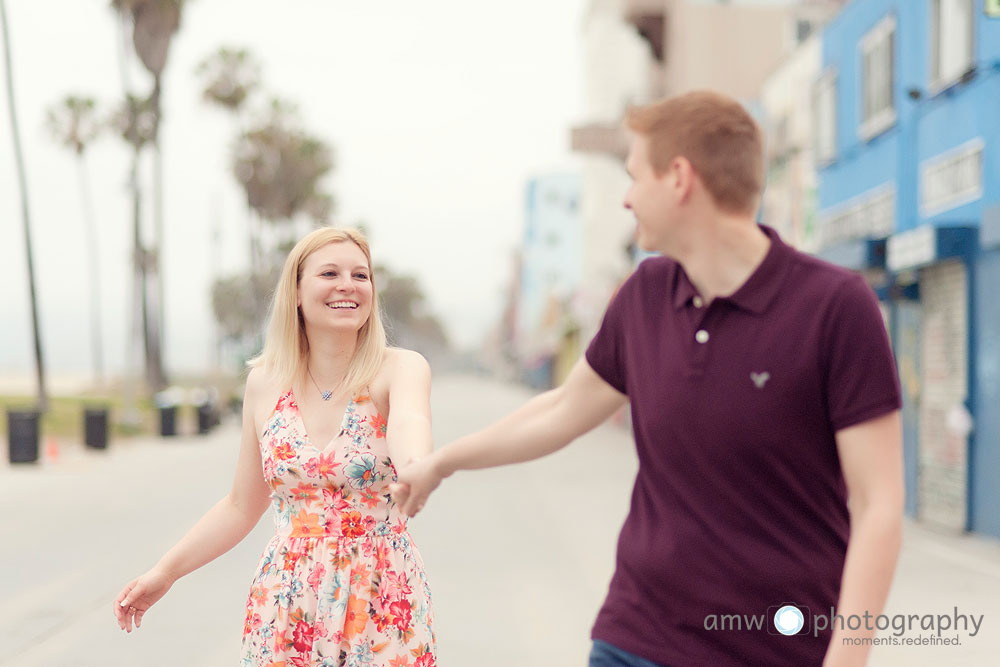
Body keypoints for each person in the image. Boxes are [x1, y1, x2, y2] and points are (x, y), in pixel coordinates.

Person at [391, 91, 903, 666]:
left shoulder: (835, 306)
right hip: (635, 638)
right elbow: (564, 408)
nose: (628, 199)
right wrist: (445, 461)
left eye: (635, 177)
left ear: (679, 178)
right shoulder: (645, 296)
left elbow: (878, 503)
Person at [113, 227, 437, 667]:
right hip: (287, 599)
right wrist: (165, 572)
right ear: (297, 293)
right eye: (330, 273)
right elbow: (241, 506)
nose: (348, 285)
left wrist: (416, 463)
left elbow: (409, 423)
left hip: (381, 591)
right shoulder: (265, 383)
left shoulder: (399, 368)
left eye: (361, 276)